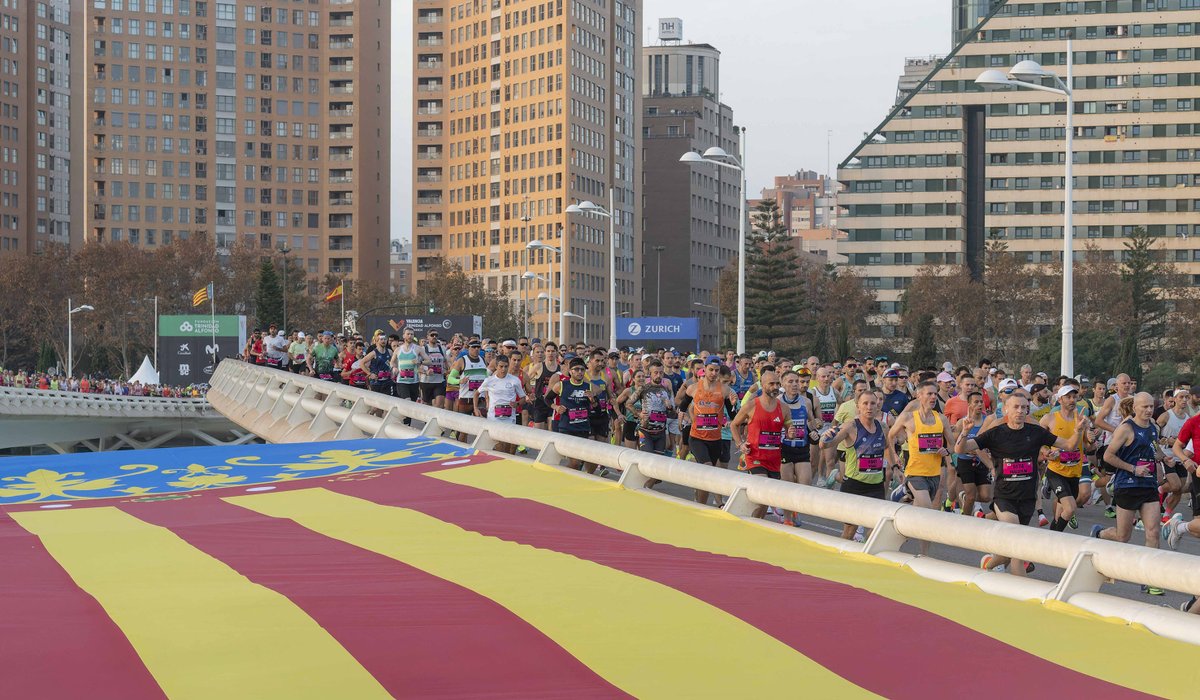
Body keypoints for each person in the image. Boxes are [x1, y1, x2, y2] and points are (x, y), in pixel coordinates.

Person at [959, 394, 1088, 576]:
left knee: (1011, 554)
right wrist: (965, 432)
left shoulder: (1035, 432)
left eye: (1023, 407)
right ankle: (1018, 592)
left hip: (1027, 498)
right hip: (1004, 497)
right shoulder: (996, 433)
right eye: (1016, 407)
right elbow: (960, 449)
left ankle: (988, 565)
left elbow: (1068, 446)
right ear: (1005, 409)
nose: (1020, 411)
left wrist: (1079, 431)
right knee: (1018, 545)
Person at [1092, 394, 1166, 593]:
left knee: (1153, 532)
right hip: (1127, 485)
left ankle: (1149, 579)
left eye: (1151, 406)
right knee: (1123, 536)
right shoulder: (1126, 428)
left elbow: (1154, 449)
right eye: (1144, 407)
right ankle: (1099, 533)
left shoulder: (1153, 427)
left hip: (1148, 485)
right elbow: (1108, 456)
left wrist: (1164, 458)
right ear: (1135, 407)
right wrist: (1133, 469)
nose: (1149, 410)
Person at [821, 391, 899, 540]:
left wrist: (895, 467)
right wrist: (825, 438)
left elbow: (887, 448)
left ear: (878, 406)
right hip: (854, 485)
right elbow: (827, 445)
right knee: (850, 531)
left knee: (877, 528)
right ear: (858, 407)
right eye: (865, 403)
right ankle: (842, 558)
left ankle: (863, 553)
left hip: (876, 485)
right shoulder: (850, 427)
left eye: (873, 403)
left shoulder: (882, 427)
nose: (869, 407)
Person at [888, 381, 954, 554]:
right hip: (915, 473)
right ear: (920, 396)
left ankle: (923, 555)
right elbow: (890, 436)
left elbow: (953, 446)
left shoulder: (942, 419)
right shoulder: (908, 417)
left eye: (935, 394)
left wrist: (946, 450)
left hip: (934, 474)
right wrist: (895, 457)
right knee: (928, 512)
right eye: (929, 394)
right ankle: (906, 492)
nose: (933, 397)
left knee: (917, 518)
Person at [730, 370, 794, 519]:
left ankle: (755, 524)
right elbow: (734, 425)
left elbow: (790, 431)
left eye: (777, 384)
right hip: (755, 457)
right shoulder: (751, 405)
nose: (775, 387)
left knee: (765, 501)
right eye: (771, 384)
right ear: (763, 385)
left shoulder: (784, 408)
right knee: (762, 491)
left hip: (774, 458)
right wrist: (740, 444)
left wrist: (791, 433)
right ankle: (749, 524)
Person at [681, 358, 738, 505]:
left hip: (715, 439)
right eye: (711, 370)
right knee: (707, 470)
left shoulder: (724, 390)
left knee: (707, 476)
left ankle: (700, 503)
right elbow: (682, 407)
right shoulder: (693, 388)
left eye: (716, 371)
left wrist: (732, 406)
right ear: (705, 369)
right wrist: (685, 418)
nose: (713, 373)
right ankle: (701, 506)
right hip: (697, 437)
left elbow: (733, 416)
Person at [1040, 385, 1090, 531]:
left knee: (1060, 514)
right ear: (1060, 399)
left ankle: (1052, 538)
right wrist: (1046, 451)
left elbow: (1088, 446)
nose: (1072, 400)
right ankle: (1054, 539)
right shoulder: (1049, 419)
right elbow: (1039, 442)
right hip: (1056, 471)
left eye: (1074, 397)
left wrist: (1092, 436)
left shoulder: (1081, 419)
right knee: (1071, 508)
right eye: (1068, 397)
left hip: (1074, 471)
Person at [548, 357, 597, 471]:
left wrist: (592, 399)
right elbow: (547, 399)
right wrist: (556, 407)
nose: (580, 372)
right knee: (575, 463)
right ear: (570, 371)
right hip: (567, 428)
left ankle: (582, 479)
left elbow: (596, 407)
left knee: (591, 460)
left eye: (582, 370)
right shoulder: (561, 385)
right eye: (577, 369)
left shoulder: (588, 386)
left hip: (584, 428)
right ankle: (560, 477)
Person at [473, 354, 527, 454]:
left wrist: (517, 403)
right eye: (501, 366)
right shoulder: (489, 380)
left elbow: (523, 398)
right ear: (496, 366)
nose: (503, 369)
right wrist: (476, 408)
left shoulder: (515, 380)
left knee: (507, 448)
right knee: (499, 446)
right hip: (494, 417)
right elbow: (476, 394)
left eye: (506, 366)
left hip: (509, 418)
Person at [953, 391, 991, 518]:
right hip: (965, 461)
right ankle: (965, 520)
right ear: (969, 404)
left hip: (982, 462)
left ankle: (964, 496)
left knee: (986, 497)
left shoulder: (988, 422)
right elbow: (955, 445)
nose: (980, 404)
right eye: (976, 402)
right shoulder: (962, 423)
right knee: (970, 497)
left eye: (981, 402)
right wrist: (967, 449)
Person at [631, 360, 674, 456]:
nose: (658, 375)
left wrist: (670, 407)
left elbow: (673, 414)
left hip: (660, 432)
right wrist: (639, 414)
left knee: (657, 462)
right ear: (650, 374)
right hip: (645, 431)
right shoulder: (643, 388)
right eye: (655, 373)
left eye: (661, 372)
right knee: (647, 458)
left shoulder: (667, 390)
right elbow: (628, 404)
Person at [392, 327, 428, 404]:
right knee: (407, 402)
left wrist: (420, 362)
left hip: (414, 382)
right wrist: (394, 367)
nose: (410, 336)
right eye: (408, 334)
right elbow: (392, 362)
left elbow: (429, 361)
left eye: (412, 334)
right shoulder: (398, 349)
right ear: (403, 336)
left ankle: (407, 417)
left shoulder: (418, 348)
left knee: (412, 405)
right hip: (402, 382)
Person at [355, 333, 395, 397]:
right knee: (376, 404)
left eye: (385, 339)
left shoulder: (390, 352)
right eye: (381, 339)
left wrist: (393, 371)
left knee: (386, 404)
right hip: (376, 383)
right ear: (377, 340)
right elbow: (361, 363)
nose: (383, 341)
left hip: (387, 382)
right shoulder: (373, 353)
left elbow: (393, 363)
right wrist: (370, 374)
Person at [420, 330, 450, 409]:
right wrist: (426, 372)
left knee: (440, 405)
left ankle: (436, 420)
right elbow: (417, 365)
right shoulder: (423, 349)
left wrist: (447, 370)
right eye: (432, 335)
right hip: (426, 381)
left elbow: (446, 361)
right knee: (427, 405)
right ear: (428, 337)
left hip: (439, 381)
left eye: (436, 335)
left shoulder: (442, 348)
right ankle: (427, 421)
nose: (434, 337)